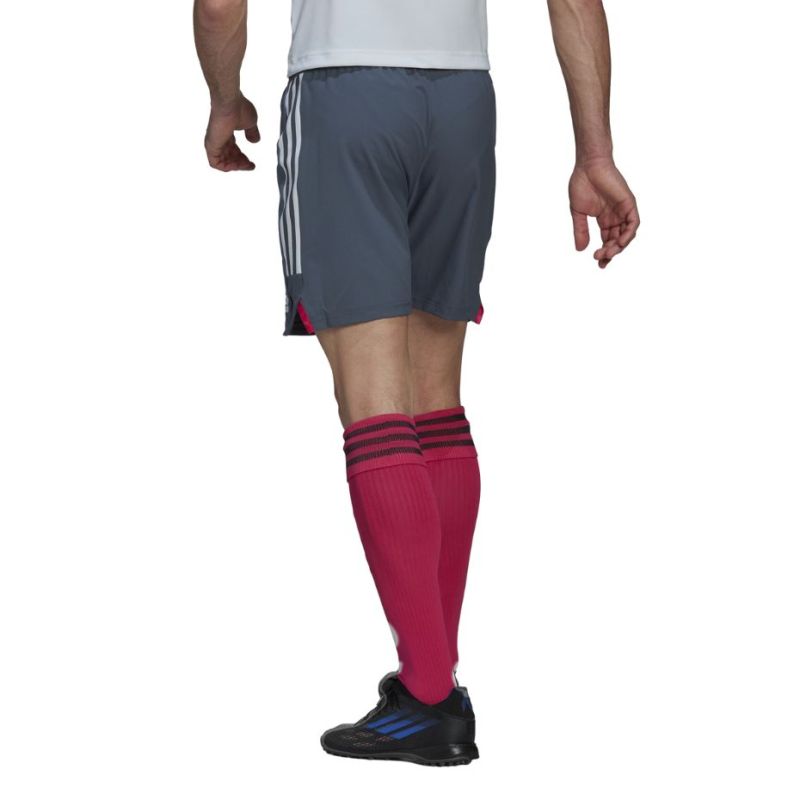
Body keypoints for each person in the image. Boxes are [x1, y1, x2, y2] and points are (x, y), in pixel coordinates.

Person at [193, 0, 640, 766]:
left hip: (344, 94)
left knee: (375, 406)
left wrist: (224, 97)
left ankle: (431, 696)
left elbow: (218, 6)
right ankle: (434, 678)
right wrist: (594, 152)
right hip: (462, 101)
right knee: (436, 402)